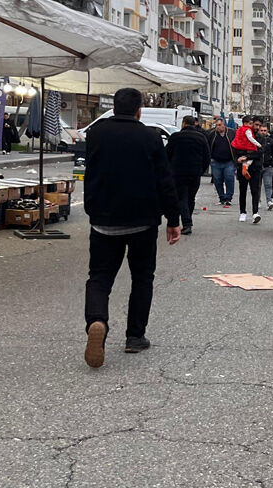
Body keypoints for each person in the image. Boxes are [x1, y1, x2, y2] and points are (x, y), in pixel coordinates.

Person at [83, 88, 182, 368]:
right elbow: (165, 180)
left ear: (114, 108)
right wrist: (173, 219)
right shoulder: (150, 136)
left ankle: (97, 321)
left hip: (103, 220)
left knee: (99, 277)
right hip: (142, 221)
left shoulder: (97, 133)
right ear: (139, 110)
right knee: (142, 277)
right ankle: (134, 337)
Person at [166, 115, 210, 236]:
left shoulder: (175, 137)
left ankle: (187, 223)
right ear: (194, 124)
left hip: (178, 172)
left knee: (182, 198)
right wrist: (201, 170)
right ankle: (188, 220)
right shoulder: (201, 138)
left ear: (184, 123)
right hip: (195, 173)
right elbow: (207, 156)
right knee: (191, 197)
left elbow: (167, 154)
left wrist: (169, 169)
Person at [207, 120, 235, 207]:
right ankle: (222, 197)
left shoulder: (231, 133)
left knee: (229, 179)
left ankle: (228, 198)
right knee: (217, 180)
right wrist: (210, 158)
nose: (218, 127)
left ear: (224, 125)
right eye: (217, 125)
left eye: (220, 125)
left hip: (229, 161)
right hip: (216, 161)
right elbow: (208, 145)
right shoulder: (212, 134)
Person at [259, 124, 273, 211]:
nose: (263, 132)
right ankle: (257, 200)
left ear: (267, 131)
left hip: (268, 166)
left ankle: (269, 201)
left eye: (264, 130)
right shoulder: (256, 140)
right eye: (261, 130)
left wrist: (272, 162)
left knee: (268, 185)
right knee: (257, 185)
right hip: (258, 166)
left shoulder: (271, 141)